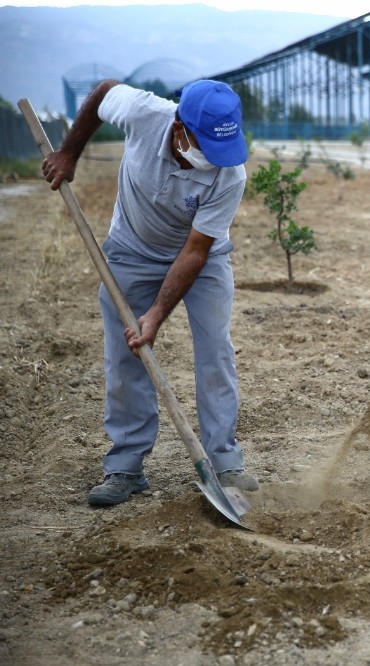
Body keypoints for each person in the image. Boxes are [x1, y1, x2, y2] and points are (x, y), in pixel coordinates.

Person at [43, 78, 260, 505]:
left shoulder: (230, 174)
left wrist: (158, 313)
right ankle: (125, 466)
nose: (213, 161)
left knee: (215, 349)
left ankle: (224, 460)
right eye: (206, 148)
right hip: (131, 251)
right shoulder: (144, 113)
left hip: (203, 256)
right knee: (127, 353)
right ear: (180, 127)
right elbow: (103, 92)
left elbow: (197, 251)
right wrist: (69, 152)